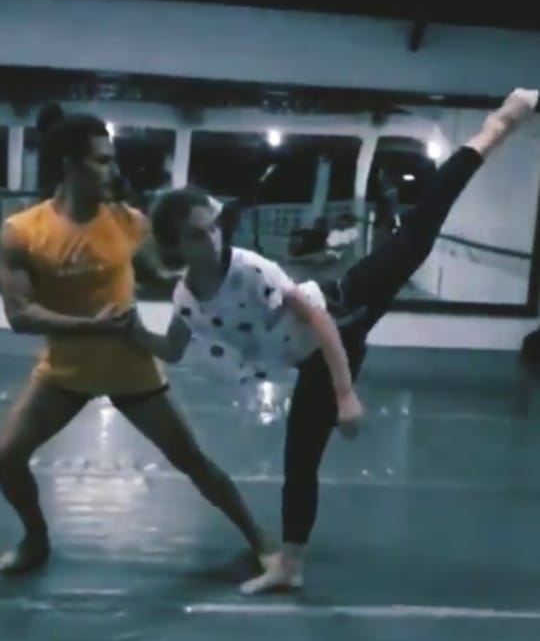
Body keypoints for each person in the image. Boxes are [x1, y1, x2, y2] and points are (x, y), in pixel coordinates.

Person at [122, 88, 539, 592]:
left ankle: (499, 124)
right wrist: (132, 333)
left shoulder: (249, 268)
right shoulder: (187, 299)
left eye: (213, 227)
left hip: (345, 310)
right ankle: (290, 565)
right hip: (312, 360)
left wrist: (345, 395)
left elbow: (320, 320)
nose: (212, 238)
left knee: (422, 225)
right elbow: (172, 348)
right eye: (197, 234)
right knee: (300, 460)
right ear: (175, 245)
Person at [0, 112, 271, 575]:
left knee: (191, 459)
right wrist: (91, 326)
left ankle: (262, 541)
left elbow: (163, 277)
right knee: (6, 459)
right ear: (69, 165)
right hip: (64, 373)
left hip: (130, 368)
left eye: (111, 159)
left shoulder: (130, 223)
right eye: (101, 160)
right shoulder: (22, 232)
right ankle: (36, 539)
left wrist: (215, 272)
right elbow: (21, 315)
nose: (113, 169)